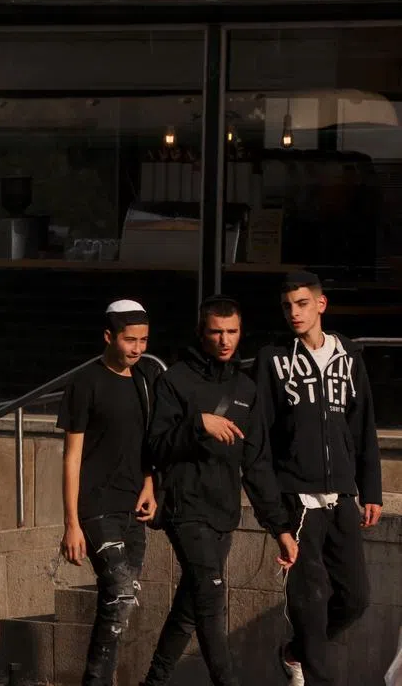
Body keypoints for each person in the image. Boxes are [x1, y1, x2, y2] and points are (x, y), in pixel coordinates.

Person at [141, 295, 298, 686]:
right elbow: (155, 446)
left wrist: (280, 528)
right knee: (211, 600)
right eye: (216, 332)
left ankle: (153, 682)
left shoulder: (246, 388)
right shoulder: (174, 380)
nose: (224, 340)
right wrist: (200, 424)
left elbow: (257, 464)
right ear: (201, 333)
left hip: (223, 513)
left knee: (191, 607)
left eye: (232, 331)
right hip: (185, 508)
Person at [253, 270, 382, 686]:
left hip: (342, 500)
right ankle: (312, 664)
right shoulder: (273, 359)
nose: (294, 312)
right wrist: (276, 518)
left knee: (356, 599)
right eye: (288, 305)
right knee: (309, 606)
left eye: (303, 303)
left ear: (321, 304)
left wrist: (370, 489)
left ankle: (296, 652)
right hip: (297, 503)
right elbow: (262, 441)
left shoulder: (349, 356)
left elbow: (363, 428)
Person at [57, 299, 161, 686]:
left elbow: (148, 440)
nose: (137, 348)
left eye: (144, 340)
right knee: (117, 592)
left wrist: (150, 485)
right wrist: (71, 524)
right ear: (108, 336)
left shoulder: (145, 378)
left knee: (122, 602)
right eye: (130, 340)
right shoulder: (86, 383)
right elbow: (71, 457)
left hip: (133, 505)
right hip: (96, 506)